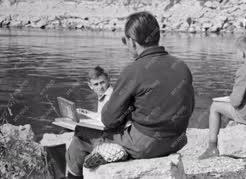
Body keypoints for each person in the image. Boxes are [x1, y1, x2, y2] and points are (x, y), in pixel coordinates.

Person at [65, 11, 195, 178]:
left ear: (133, 42)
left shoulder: (134, 70)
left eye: (125, 40)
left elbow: (108, 119)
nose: (125, 45)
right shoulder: (181, 66)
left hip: (146, 144)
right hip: (177, 140)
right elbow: (188, 106)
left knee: (81, 137)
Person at [199, 36, 246, 159]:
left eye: (236, 51)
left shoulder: (243, 70)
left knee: (215, 107)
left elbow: (235, 102)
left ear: (242, 53)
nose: (236, 54)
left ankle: (212, 147)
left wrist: (229, 98)